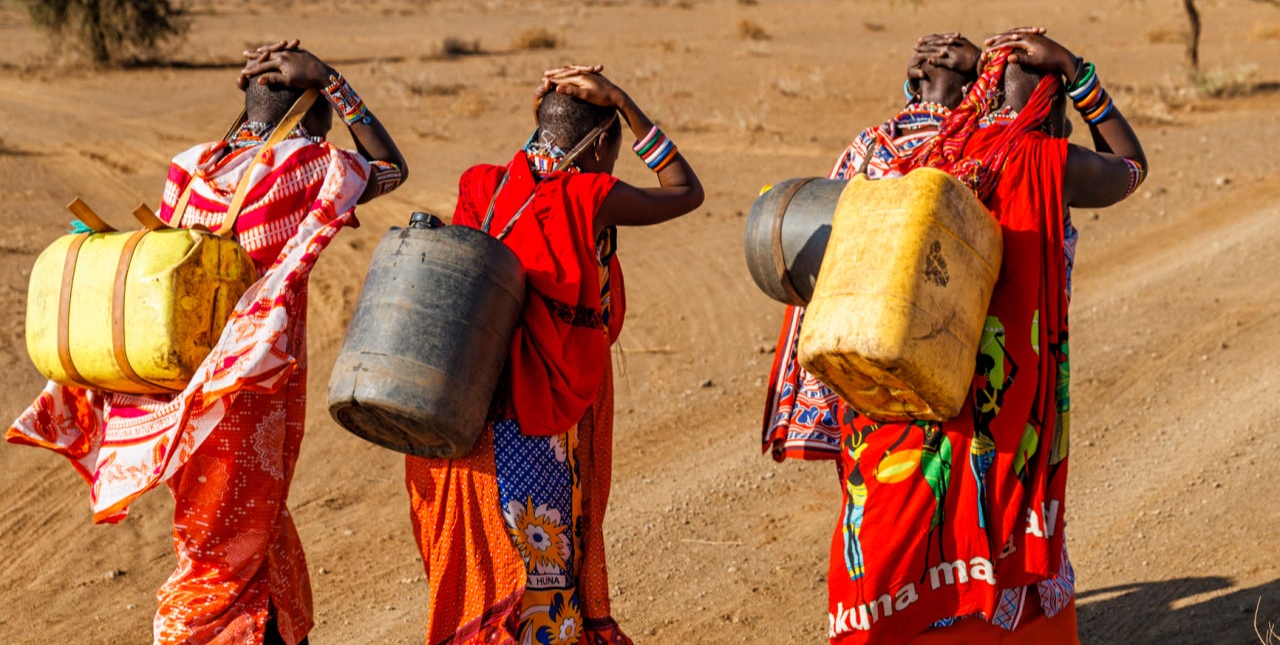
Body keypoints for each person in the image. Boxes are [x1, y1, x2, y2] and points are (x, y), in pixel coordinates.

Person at [7, 41, 407, 645]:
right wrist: (333, 80)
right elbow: (391, 168)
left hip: (185, 384)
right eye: (321, 104)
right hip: (249, 386)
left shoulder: (189, 167)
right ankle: (195, 633)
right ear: (310, 109)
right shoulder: (308, 165)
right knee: (230, 545)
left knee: (228, 524)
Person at [812, 30, 1147, 644]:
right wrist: (1079, 71)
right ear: (1052, 116)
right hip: (1006, 403)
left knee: (903, 540)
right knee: (1002, 530)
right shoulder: (1051, 164)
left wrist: (961, 78)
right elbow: (1131, 168)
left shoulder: (919, 158)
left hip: (907, 396)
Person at [404, 65, 704, 645]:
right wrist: (624, 102)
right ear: (601, 148)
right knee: (537, 593)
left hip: (456, 422)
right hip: (530, 427)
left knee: (481, 585)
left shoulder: (481, 185)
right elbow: (685, 192)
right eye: (614, 150)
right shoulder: (589, 194)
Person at [764, 32, 984, 462]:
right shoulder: (973, 149)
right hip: (937, 353)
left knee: (867, 478)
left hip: (858, 350)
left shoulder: (869, 147)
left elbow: (822, 249)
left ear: (915, 84)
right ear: (970, 90)